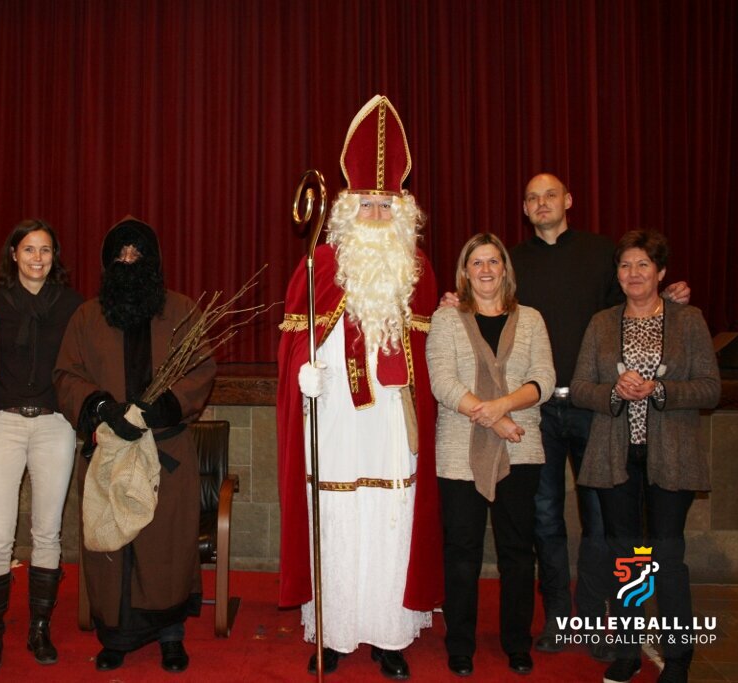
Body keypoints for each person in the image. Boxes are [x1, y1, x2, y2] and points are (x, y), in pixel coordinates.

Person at [439, 173, 689, 661]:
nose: (541, 203)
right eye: (532, 198)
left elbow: (635, 296)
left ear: (568, 200)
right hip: (536, 415)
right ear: (524, 209)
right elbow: (483, 304)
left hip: (594, 407)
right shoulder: (512, 260)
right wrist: (455, 298)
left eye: (550, 195)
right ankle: (557, 618)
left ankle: (595, 621)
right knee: (544, 521)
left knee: (601, 520)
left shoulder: (601, 254)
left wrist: (668, 295)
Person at [277, 94, 444, 680]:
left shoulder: (418, 270)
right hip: (336, 419)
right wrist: (303, 370)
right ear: (347, 209)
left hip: (392, 422)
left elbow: (428, 352)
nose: (375, 214)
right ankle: (335, 631)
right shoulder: (320, 264)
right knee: (335, 514)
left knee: (389, 514)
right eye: (366, 204)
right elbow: (295, 340)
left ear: (402, 211)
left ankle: (389, 635)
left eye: (385, 205)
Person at [54, 217, 216, 674]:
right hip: (110, 453)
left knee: (166, 548)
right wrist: (103, 407)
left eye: (137, 253)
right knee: (111, 547)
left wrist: (163, 406)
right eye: (120, 254)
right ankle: (116, 636)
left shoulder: (181, 310)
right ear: (108, 263)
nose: (129, 261)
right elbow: (66, 375)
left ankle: (170, 635)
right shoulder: (86, 317)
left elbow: (200, 370)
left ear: (153, 260)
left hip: (166, 454)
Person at [570, 230, 719, 683]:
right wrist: (614, 390)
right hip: (615, 456)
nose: (633, 273)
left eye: (642, 265)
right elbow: (580, 388)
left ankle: (678, 658)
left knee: (668, 556)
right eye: (625, 265)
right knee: (627, 557)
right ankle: (628, 652)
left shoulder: (688, 320)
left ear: (661, 272)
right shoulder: (601, 323)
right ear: (616, 274)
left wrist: (661, 389)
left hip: (672, 456)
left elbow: (710, 388)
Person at [425, 233, 555, 677]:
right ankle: (460, 644)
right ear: (465, 272)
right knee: (462, 552)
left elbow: (544, 380)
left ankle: (517, 643)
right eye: (476, 262)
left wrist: (501, 408)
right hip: (459, 452)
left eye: (493, 262)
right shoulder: (446, 319)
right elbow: (442, 382)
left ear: (505, 270)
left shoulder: (531, 320)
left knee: (517, 552)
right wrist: (495, 420)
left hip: (521, 449)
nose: (485, 270)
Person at [0, 219, 83, 671]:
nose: (38, 258)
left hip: (54, 425)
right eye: (29, 249)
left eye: (46, 250)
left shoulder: (74, 307)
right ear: (13, 254)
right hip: (1, 421)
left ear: (55, 257)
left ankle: (40, 629)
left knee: (47, 532)